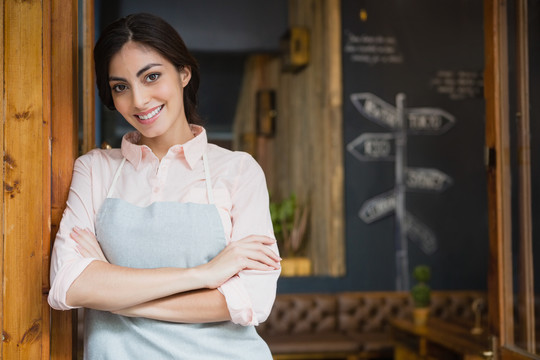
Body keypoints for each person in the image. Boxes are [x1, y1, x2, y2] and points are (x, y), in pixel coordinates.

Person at [48, 13, 281, 359]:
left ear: (184, 73)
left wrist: (114, 292)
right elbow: (68, 284)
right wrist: (204, 274)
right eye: (121, 87)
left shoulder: (238, 171)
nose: (139, 100)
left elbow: (250, 301)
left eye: (152, 76)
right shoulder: (95, 170)